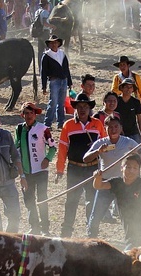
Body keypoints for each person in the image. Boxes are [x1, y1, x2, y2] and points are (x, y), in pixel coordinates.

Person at [85, 115, 141, 237]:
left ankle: (134, 240)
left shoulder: (128, 142)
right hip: (106, 183)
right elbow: (86, 158)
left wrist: (130, 157)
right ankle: (90, 240)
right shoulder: (101, 143)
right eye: (110, 127)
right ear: (105, 128)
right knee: (96, 215)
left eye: (116, 127)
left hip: (124, 184)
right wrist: (98, 152)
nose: (113, 130)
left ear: (120, 128)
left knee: (129, 215)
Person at [55, 93, 106, 237]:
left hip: (93, 168)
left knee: (92, 201)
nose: (82, 109)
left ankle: (91, 232)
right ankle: (66, 232)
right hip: (74, 168)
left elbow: (104, 145)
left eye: (85, 106)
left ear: (90, 108)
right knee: (71, 201)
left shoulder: (97, 124)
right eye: (79, 106)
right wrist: (60, 170)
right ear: (75, 108)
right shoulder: (68, 125)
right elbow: (63, 148)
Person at [93, 154, 141, 248]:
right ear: (121, 168)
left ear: (139, 170)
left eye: (135, 168)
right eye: (128, 167)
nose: (131, 171)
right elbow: (98, 186)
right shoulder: (117, 183)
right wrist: (97, 177)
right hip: (128, 233)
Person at [15, 101, 56, 235]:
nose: (28, 115)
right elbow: (16, 146)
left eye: (31, 113)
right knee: (28, 199)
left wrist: (47, 159)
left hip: (41, 170)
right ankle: (34, 225)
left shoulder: (43, 129)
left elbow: (53, 147)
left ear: (35, 114)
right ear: (22, 115)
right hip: (26, 171)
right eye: (26, 113)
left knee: (42, 199)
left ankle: (45, 227)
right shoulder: (19, 129)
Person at [41, 35, 72, 129]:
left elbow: (66, 69)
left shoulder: (62, 54)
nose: (54, 44)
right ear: (49, 44)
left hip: (63, 80)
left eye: (55, 42)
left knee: (61, 103)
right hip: (54, 80)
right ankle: (47, 123)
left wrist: (69, 82)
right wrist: (44, 86)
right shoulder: (46, 55)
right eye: (52, 43)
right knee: (53, 102)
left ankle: (60, 122)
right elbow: (44, 72)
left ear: (58, 43)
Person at [115, 77, 141, 143]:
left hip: (133, 133)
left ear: (133, 89)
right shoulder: (116, 101)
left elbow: (139, 119)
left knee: (138, 152)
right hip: (119, 133)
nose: (128, 89)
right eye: (126, 87)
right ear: (121, 88)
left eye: (130, 87)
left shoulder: (136, 102)